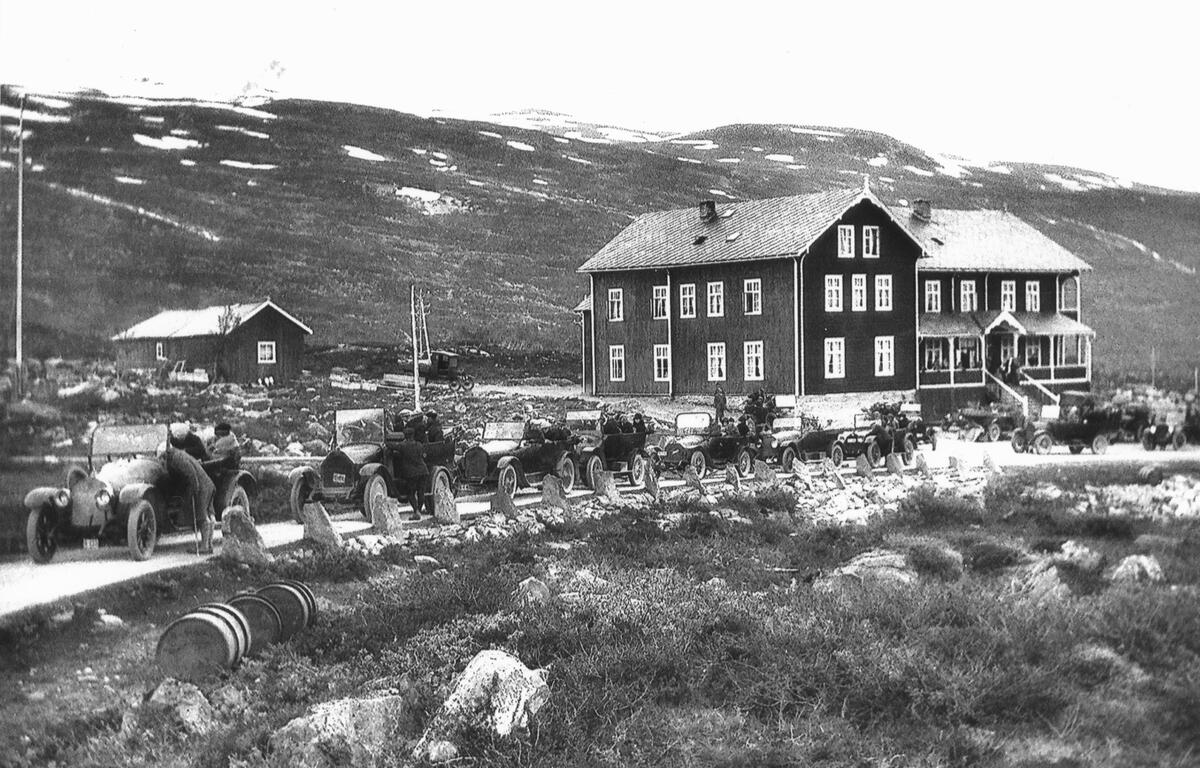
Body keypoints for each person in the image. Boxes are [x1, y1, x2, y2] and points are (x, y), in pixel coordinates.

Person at [158, 441, 216, 554]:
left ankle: (204, 547)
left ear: (164, 455)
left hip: (201, 486)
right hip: (207, 484)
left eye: (161, 459)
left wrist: (193, 492)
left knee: (202, 516)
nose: (161, 462)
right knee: (209, 515)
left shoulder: (176, 459)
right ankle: (209, 545)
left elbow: (191, 475)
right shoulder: (178, 455)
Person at [393, 428, 429, 521]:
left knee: (411, 493)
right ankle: (418, 511)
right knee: (421, 492)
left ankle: (416, 511)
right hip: (423, 471)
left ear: (405, 436)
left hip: (412, 473)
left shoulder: (403, 445)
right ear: (413, 435)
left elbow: (392, 446)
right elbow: (423, 454)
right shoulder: (419, 445)